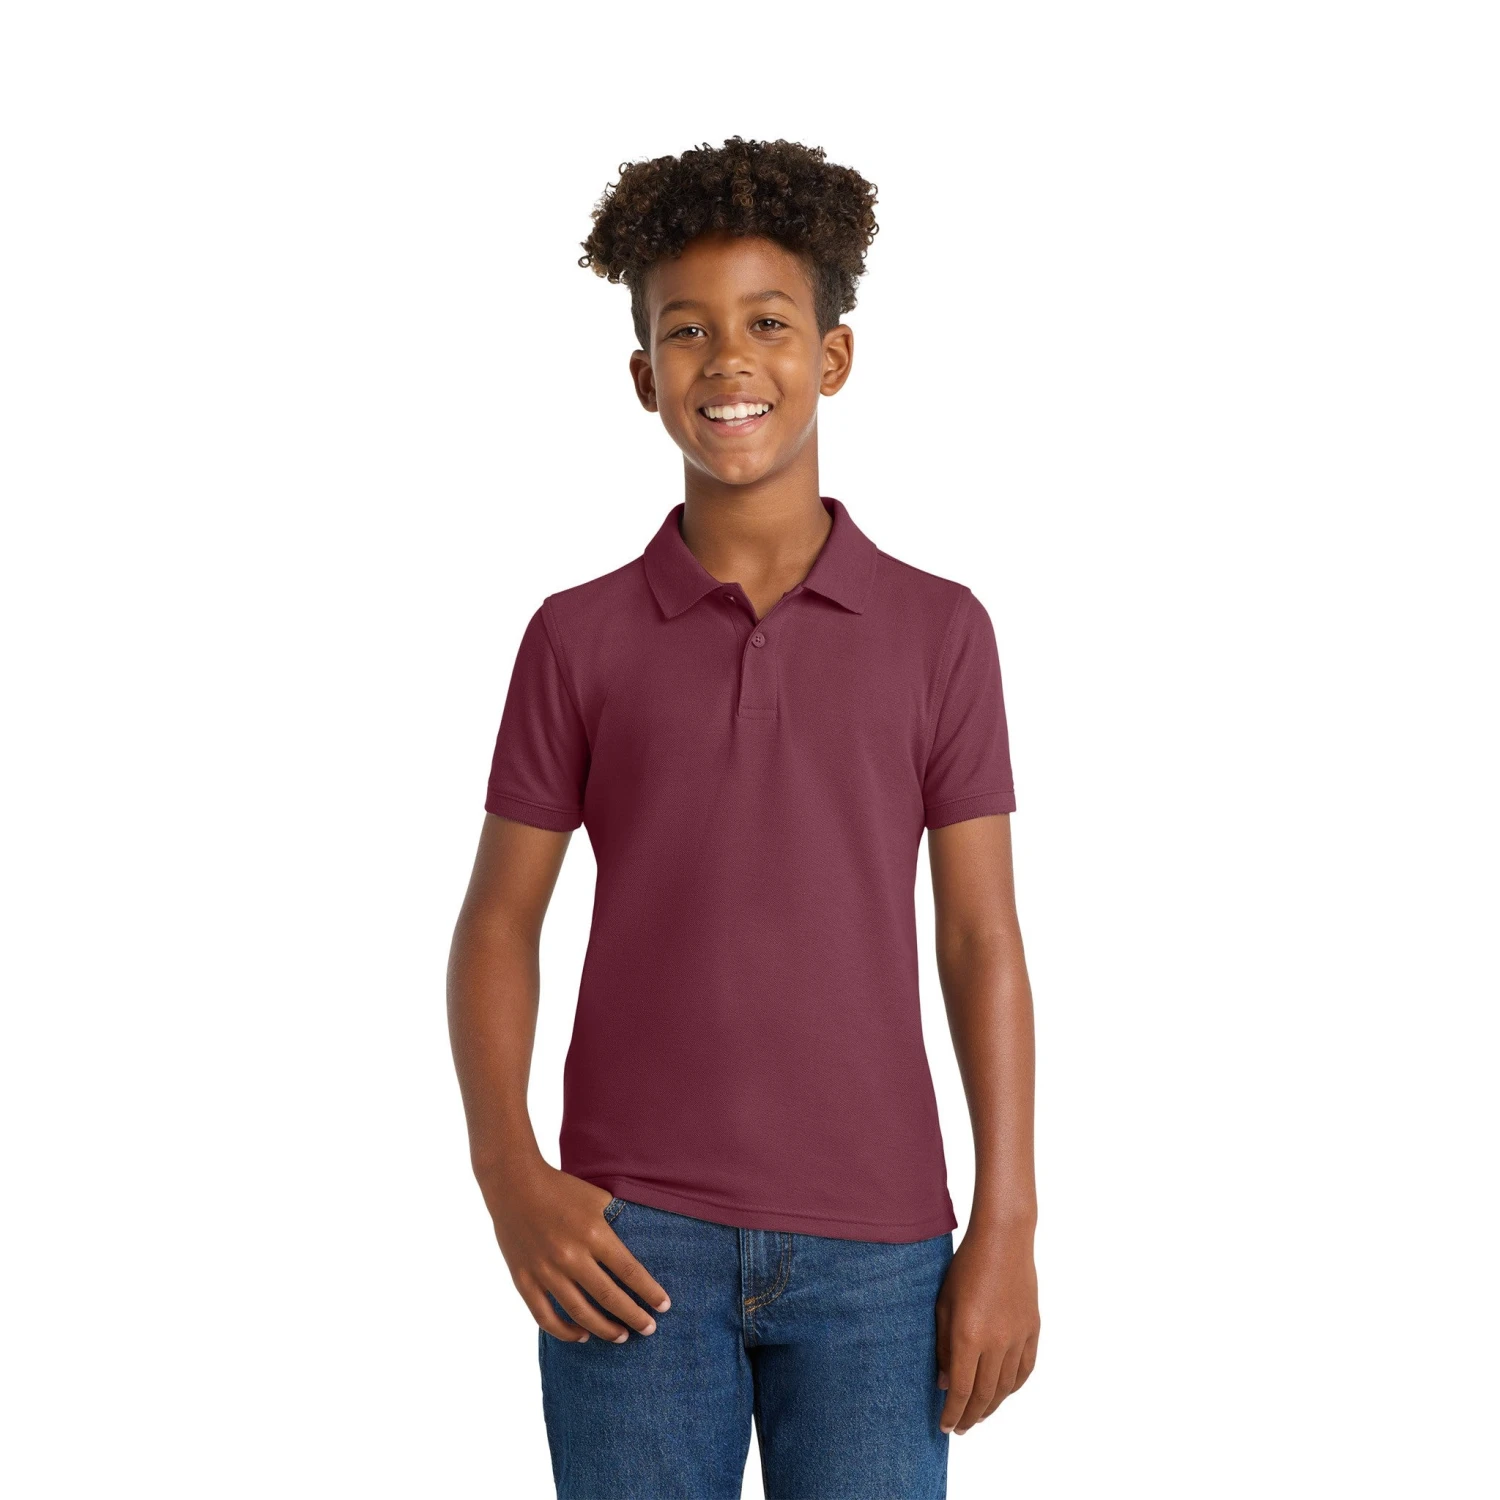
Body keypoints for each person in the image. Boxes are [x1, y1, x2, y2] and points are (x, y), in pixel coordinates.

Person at [447, 135, 1040, 1499]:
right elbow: (497, 923)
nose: (728, 361)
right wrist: (509, 1173)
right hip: (627, 1245)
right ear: (642, 375)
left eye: (768, 323)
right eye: (687, 330)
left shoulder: (941, 632)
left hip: (880, 1252)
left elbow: (980, 941)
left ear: (832, 357)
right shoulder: (576, 638)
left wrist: (1005, 1220)